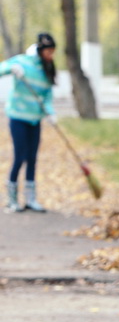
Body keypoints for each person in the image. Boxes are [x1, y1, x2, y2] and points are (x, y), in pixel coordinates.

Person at [0, 32, 58, 212]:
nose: (51, 55)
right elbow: (1, 69)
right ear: (40, 50)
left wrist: (50, 113)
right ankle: (12, 199)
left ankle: (31, 199)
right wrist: (12, 69)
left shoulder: (46, 69)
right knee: (20, 157)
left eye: (52, 51)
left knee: (32, 158)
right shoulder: (22, 61)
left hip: (35, 120)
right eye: (49, 51)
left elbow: (47, 95)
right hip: (18, 117)